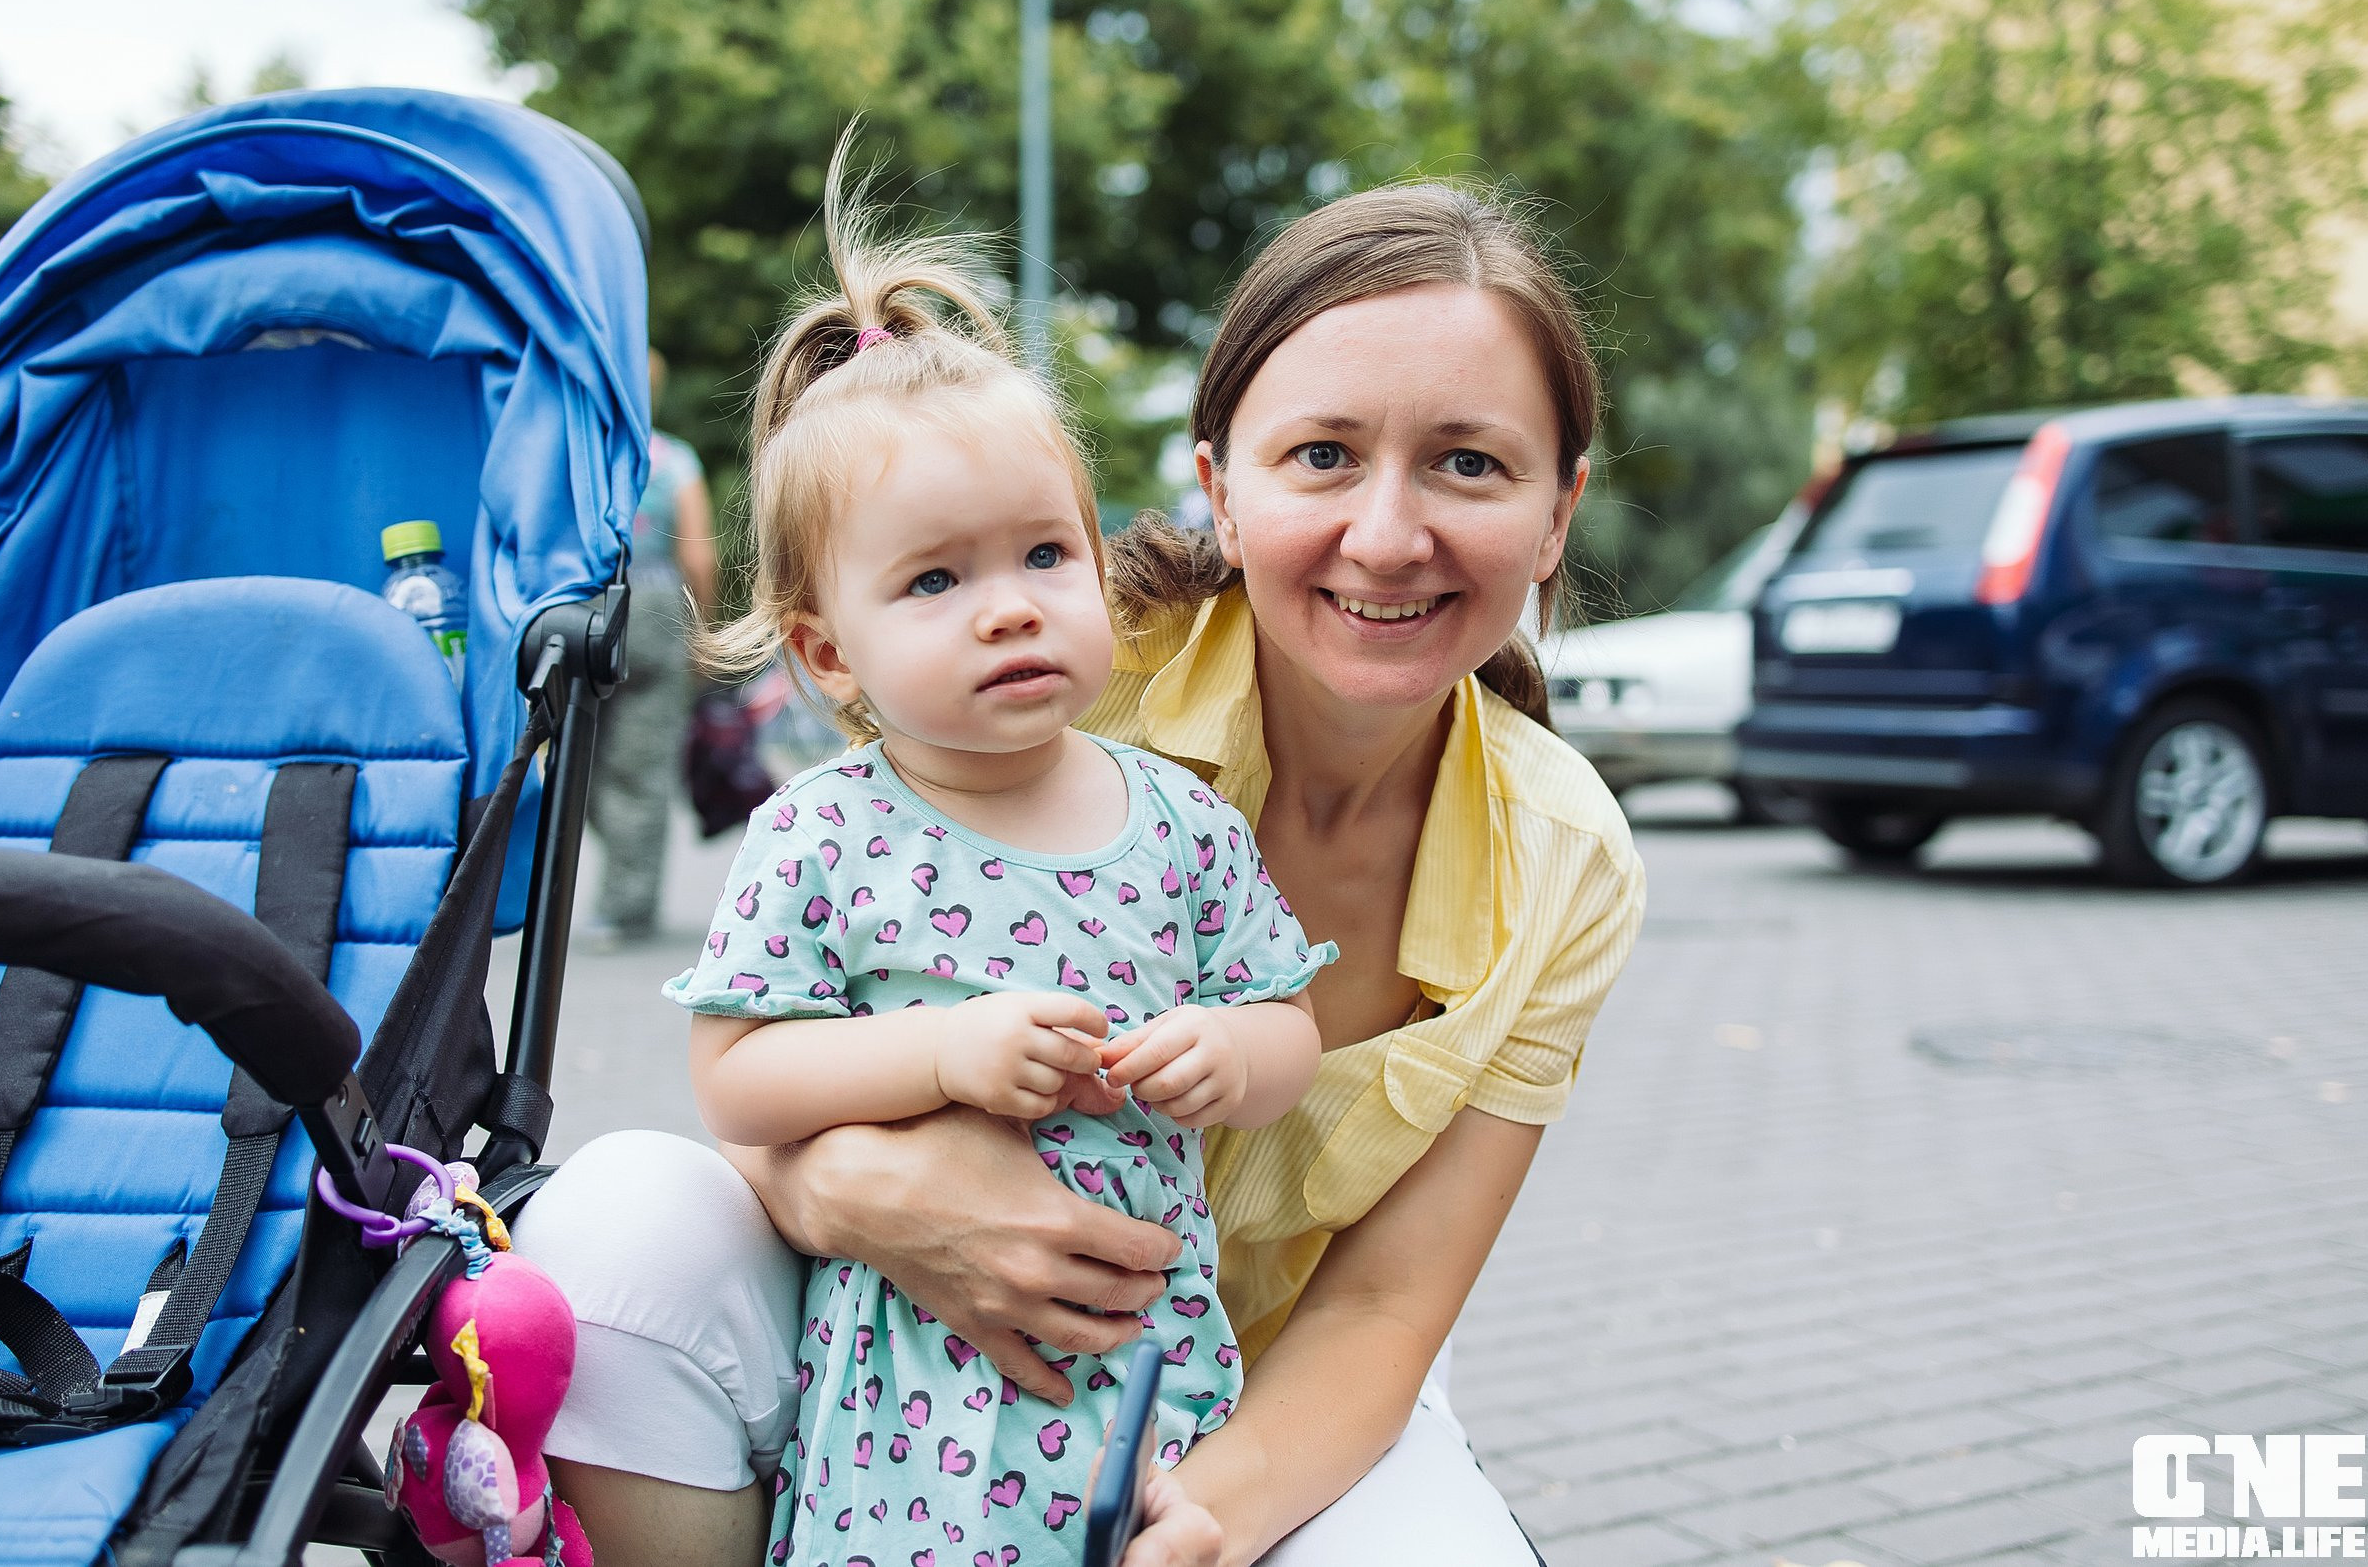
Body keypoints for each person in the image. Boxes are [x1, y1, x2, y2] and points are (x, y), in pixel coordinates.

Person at [512, 179, 1648, 1567]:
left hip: (1260, 1387)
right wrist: (876, 1193)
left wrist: (1204, 1514)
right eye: (1323, 454)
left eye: (1468, 462)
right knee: (614, 1223)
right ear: (1221, 487)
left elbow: (1382, 1308)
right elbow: (761, 1078)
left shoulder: (1565, 861)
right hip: (893, 1349)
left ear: (1557, 511)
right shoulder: (1039, 672)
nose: (1388, 534)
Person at [676, 147, 1330, 1564]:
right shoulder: (823, 831)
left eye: (1044, 554)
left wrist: (1231, 1049)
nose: (1009, 608)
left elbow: (1289, 1022)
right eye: (934, 577)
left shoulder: (1180, 817)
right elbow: (736, 1077)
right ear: (826, 652)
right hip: (912, 1409)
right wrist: (945, 1051)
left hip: (1148, 1383)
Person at [586, 349, 720, 944]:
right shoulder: (675, 459)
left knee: (577, 759)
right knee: (642, 768)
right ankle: (627, 906)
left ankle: (621, 890)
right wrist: (703, 632)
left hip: (585, 604)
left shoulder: (581, 453)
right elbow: (699, 555)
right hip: (657, 609)